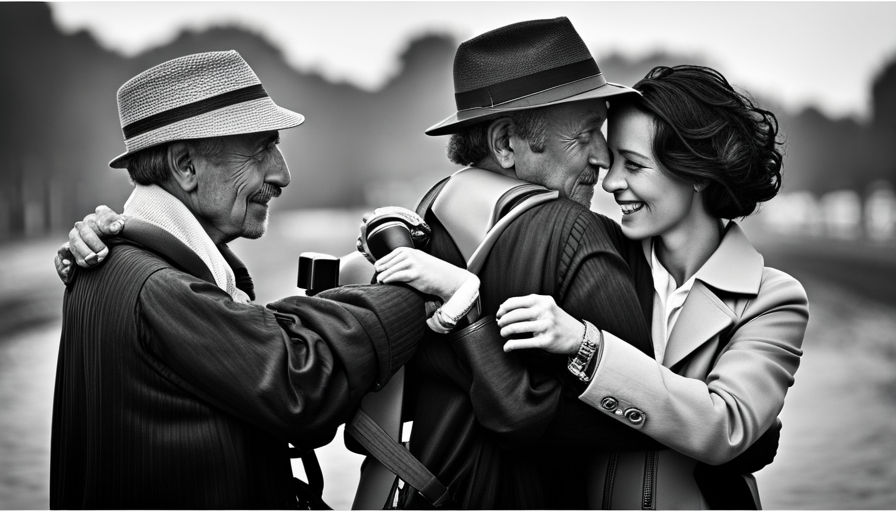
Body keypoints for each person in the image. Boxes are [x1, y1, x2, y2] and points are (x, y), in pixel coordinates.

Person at [58, 22, 782, 509]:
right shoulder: (574, 235)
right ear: (507, 144)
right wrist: (432, 293)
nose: (281, 173)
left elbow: (251, 350)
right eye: (588, 134)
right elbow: (294, 382)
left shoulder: (428, 213)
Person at [377, 65, 808, 509]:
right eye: (612, 157)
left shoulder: (773, 299)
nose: (610, 180)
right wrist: (398, 228)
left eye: (634, 165)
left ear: (698, 173)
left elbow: (725, 428)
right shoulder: (592, 252)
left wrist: (586, 345)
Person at [49, 50, 428, 509]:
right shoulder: (158, 286)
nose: (282, 174)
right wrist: (414, 290)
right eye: (261, 149)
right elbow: (302, 384)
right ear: (186, 166)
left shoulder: (116, 265)